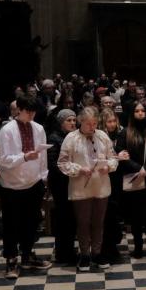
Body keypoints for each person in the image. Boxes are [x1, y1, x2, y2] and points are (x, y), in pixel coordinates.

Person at [0, 95, 52, 279]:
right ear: (18, 109)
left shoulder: (39, 128)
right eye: (28, 111)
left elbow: (42, 155)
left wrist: (43, 177)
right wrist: (24, 157)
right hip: (11, 184)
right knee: (12, 224)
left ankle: (27, 254)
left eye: (34, 111)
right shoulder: (7, 130)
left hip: (34, 182)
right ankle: (11, 259)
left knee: (32, 221)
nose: (31, 115)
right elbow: (4, 160)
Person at [58, 107, 119, 272]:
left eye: (94, 123)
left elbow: (113, 157)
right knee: (83, 223)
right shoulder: (71, 138)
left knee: (98, 222)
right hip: (81, 188)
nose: (92, 127)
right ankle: (84, 254)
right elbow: (62, 163)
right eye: (88, 123)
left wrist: (109, 166)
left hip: (101, 186)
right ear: (80, 122)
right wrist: (79, 169)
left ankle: (97, 253)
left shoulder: (102, 136)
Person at [116, 101, 146, 258]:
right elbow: (121, 154)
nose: (140, 113)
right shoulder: (125, 132)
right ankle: (137, 247)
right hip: (134, 177)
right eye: (136, 111)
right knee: (136, 217)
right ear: (132, 113)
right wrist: (139, 169)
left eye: (142, 111)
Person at [47, 109, 78, 265]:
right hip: (61, 184)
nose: (73, 123)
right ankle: (62, 252)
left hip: (72, 183)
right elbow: (53, 165)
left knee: (71, 218)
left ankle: (70, 249)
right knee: (63, 218)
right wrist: (72, 171)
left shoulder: (74, 137)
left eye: (74, 120)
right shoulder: (54, 138)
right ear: (61, 122)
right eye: (69, 120)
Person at [100, 108, 125, 264]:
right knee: (106, 215)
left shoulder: (120, 135)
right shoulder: (100, 137)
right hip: (104, 178)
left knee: (115, 214)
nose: (113, 124)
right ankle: (105, 248)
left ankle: (113, 245)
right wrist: (118, 157)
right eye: (109, 121)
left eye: (114, 121)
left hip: (117, 179)